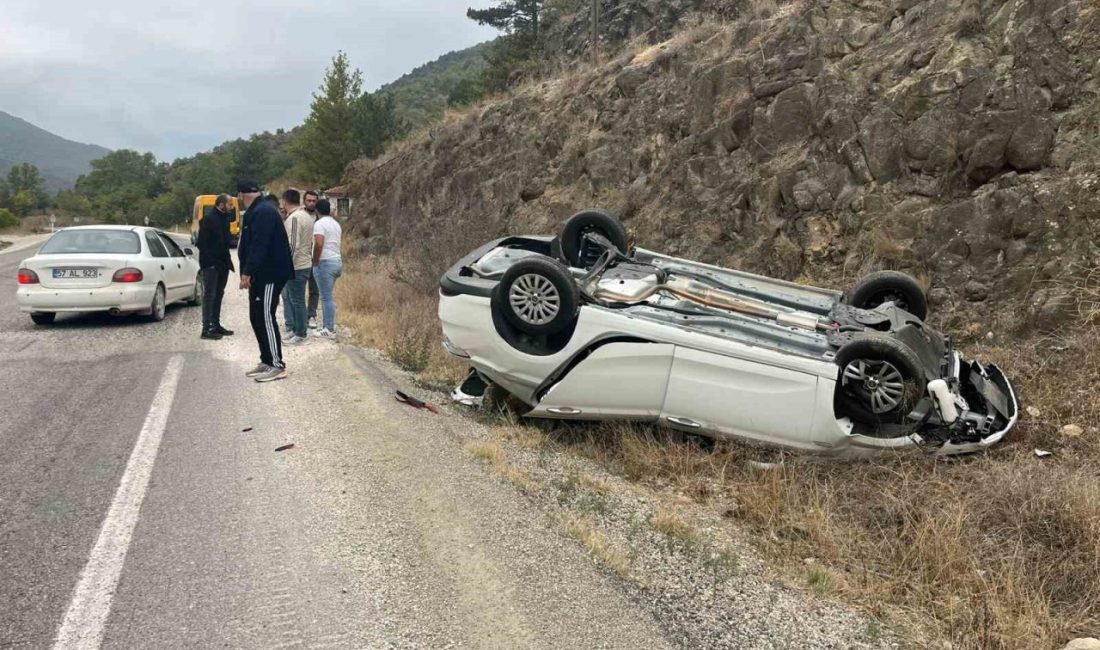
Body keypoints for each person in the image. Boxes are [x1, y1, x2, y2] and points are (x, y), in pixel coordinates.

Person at [236, 180, 294, 382]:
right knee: (256, 316)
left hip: (270, 274)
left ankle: (277, 364)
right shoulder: (256, 211)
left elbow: (259, 245)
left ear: (242, 195)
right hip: (260, 275)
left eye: (239, 197)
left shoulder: (264, 212)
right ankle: (266, 360)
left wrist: (247, 272)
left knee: (266, 316)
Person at [195, 194, 235, 340]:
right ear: (221, 204)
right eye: (229, 204)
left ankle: (215, 324)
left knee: (219, 294)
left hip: (223, 264)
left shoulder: (224, 219)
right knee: (209, 296)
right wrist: (211, 262)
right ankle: (206, 329)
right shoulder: (208, 219)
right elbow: (202, 243)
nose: (232, 207)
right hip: (211, 264)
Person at [280, 189, 314, 344]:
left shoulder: (294, 218)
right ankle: (295, 330)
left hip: (297, 266)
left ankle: (300, 334)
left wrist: (286, 264)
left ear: (285, 201)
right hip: (304, 262)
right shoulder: (306, 216)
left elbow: (293, 244)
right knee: (295, 299)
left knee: (297, 300)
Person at [311, 199, 343, 338]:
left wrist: (315, 261)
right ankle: (328, 325)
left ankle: (329, 328)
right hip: (336, 260)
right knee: (328, 295)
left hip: (325, 262)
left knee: (326, 297)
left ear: (317, 210)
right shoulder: (336, 224)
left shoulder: (319, 224)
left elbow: (318, 243)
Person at [302, 190, 321, 329]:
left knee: (314, 289)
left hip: (316, 258)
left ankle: (311, 315)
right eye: (309, 200)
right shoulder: (299, 216)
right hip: (301, 258)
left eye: (314, 201)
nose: (311, 203)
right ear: (304, 201)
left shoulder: (321, 218)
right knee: (299, 289)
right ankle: (300, 316)